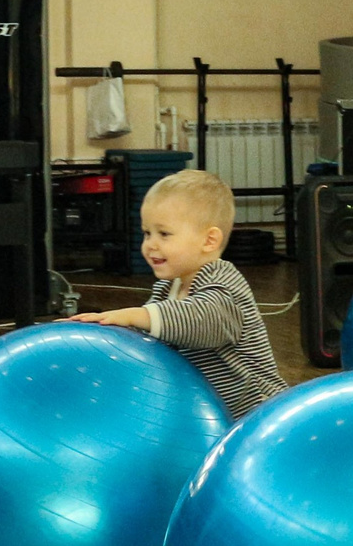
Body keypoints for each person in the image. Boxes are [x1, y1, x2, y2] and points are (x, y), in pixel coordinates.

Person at [68, 168, 285, 419]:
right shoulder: (167, 287)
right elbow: (147, 340)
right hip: (208, 416)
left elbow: (201, 321)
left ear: (209, 241)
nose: (150, 244)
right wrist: (98, 332)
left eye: (164, 234)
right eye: (147, 233)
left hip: (258, 414)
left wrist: (133, 315)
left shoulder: (223, 282)